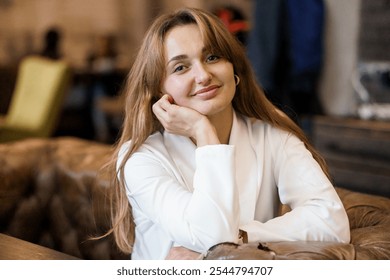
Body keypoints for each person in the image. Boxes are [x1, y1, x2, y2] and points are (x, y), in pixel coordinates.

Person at [107, 7, 350, 260]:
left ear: (234, 68)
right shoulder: (140, 158)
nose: (203, 76)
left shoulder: (273, 135)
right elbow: (212, 236)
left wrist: (244, 237)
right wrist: (204, 132)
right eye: (180, 68)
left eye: (212, 57)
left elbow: (333, 222)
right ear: (159, 90)